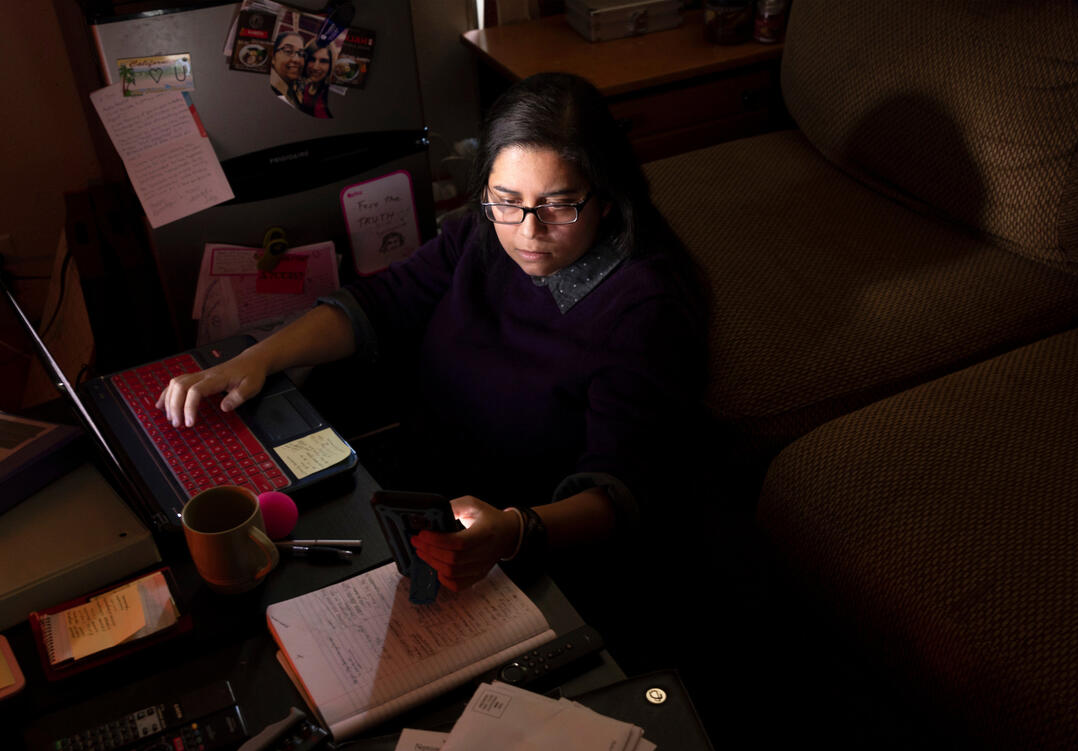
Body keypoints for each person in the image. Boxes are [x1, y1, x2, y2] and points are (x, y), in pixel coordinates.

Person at [157, 72, 707, 594]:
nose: (528, 232)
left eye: (559, 205)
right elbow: (378, 302)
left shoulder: (643, 308)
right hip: (416, 487)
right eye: (508, 201)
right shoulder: (480, 234)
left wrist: (515, 531)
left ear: (606, 199)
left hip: (527, 538)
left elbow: (617, 491)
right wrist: (253, 358)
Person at [296, 44, 334, 118]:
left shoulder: (329, 95)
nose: (315, 67)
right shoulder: (304, 87)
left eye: (323, 61)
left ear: (331, 65)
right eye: (312, 60)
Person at [268, 31, 305, 100]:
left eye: (301, 53)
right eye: (288, 51)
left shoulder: (297, 91)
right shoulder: (271, 91)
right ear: (273, 57)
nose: (297, 59)